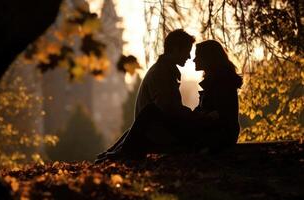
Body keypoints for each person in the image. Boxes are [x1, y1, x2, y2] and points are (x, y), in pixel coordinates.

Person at [95, 29, 218, 163]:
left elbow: (169, 109)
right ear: (176, 49)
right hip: (158, 134)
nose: (189, 57)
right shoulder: (162, 73)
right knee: (151, 110)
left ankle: (117, 152)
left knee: (149, 112)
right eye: (187, 51)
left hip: (154, 130)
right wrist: (198, 117)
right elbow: (170, 109)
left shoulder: (164, 70)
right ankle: (119, 152)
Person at [193, 40, 242, 151]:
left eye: (197, 56)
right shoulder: (215, 81)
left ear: (208, 58)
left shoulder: (222, 82)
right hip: (218, 134)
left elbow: (219, 113)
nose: (194, 60)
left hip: (220, 137)